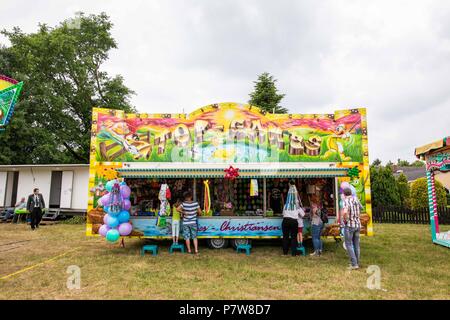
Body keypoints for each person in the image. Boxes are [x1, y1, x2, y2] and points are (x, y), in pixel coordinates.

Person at [281, 180, 304, 256]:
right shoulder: (296, 206)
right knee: (294, 237)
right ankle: (294, 253)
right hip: (293, 221)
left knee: (285, 237)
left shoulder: (285, 205)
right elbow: (303, 214)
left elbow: (283, 214)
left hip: (285, 221)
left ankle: (285, 252)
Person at [342, 187, 362, 270]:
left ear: (344, 194)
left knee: (349, 244)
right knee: (356, 244)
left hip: (350, 225)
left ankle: (354, 264)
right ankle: (357, 262)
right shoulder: (356, 199)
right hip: (357, 225)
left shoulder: (346, 201)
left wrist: (345, 219)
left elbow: (345, 212)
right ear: (350, 193)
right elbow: (361, 208)